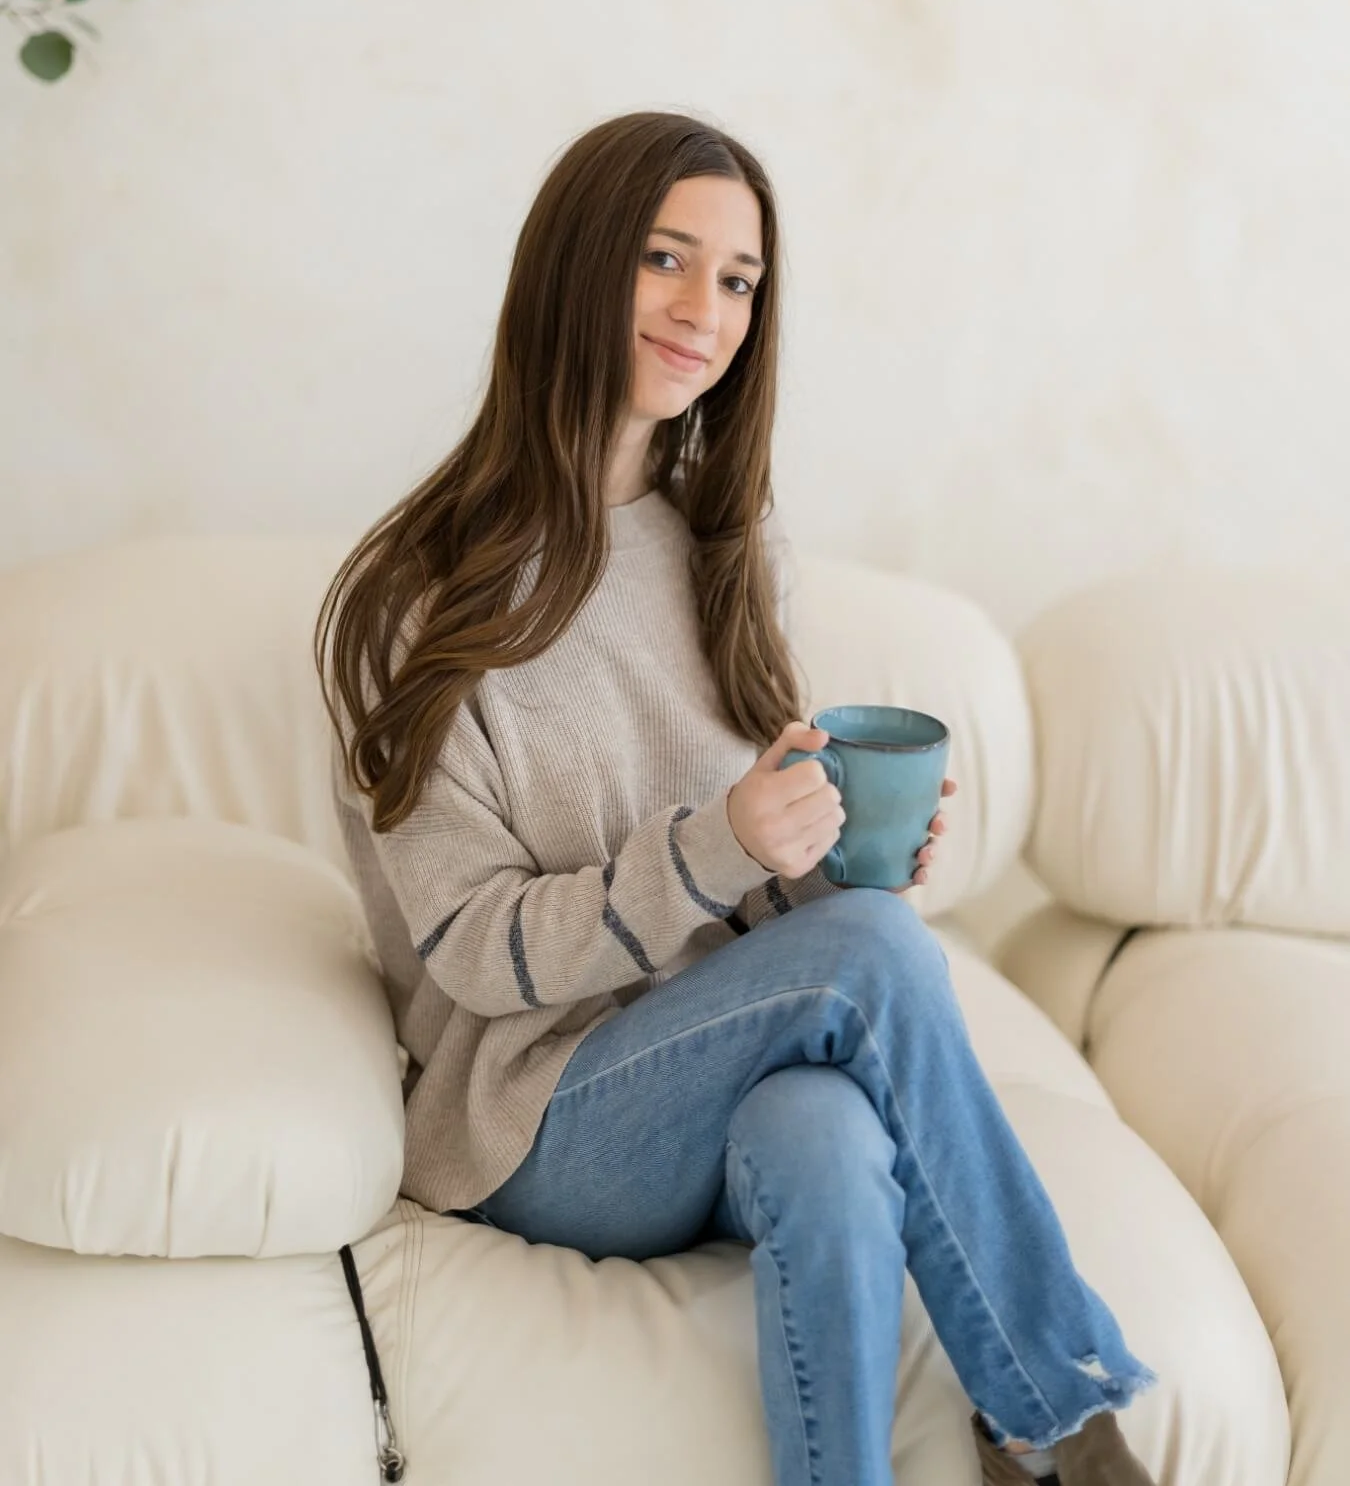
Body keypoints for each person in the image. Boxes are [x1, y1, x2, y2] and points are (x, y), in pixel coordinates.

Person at [317, 111, 1160, 1486]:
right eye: (662, 258)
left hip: (722, 1071)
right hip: (533, 1117)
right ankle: (1061, 1423)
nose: (701, 309)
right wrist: (725, 854)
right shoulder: (414, 600)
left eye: (737, 279)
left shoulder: (724, 551)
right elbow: (474, 952)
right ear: (571, 268)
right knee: (874, 960)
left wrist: (830, 868)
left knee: (826, 1135)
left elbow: (758, 909)